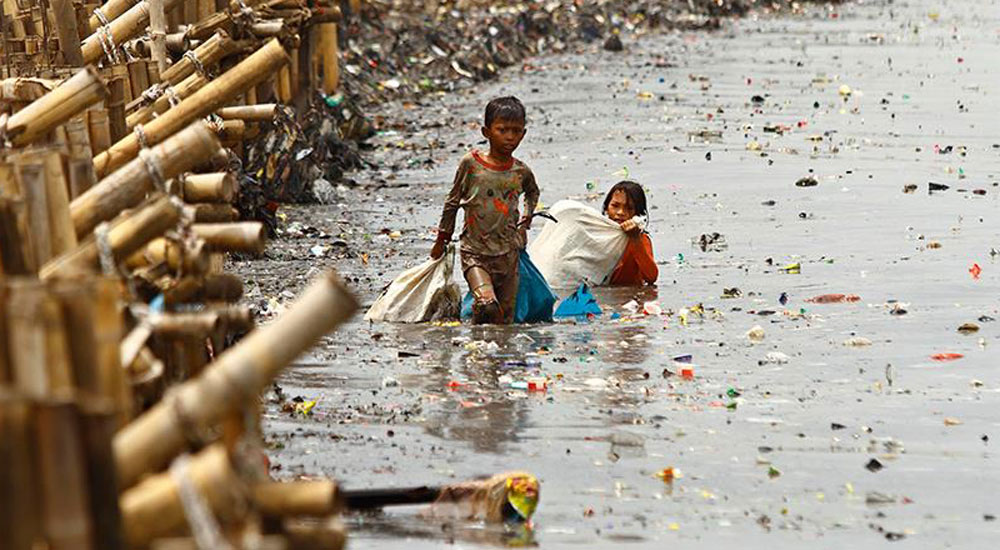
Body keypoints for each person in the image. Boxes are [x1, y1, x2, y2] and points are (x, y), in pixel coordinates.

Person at [431, 96, 540, 324]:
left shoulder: (520, 171)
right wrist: (442, 238)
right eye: (502, 130)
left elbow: (532, 193)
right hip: (475, 253)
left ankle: (491, 352)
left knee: (505, 319)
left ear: (524, 133)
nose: (510, 137)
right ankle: (480, 354)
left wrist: (526, 221)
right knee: (487, 304)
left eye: (516, 131)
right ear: (486, 132)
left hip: (508, 255)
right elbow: (452, 202)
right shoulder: (471, 164)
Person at [602, 180, 658, 285]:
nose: (620, 213)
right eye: (615, 206)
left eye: (629, 208)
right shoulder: (595, 235)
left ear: (637, 213)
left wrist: (635, 239)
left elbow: (651, 277)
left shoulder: (641, 239)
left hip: (629, 298)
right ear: (606, 207)